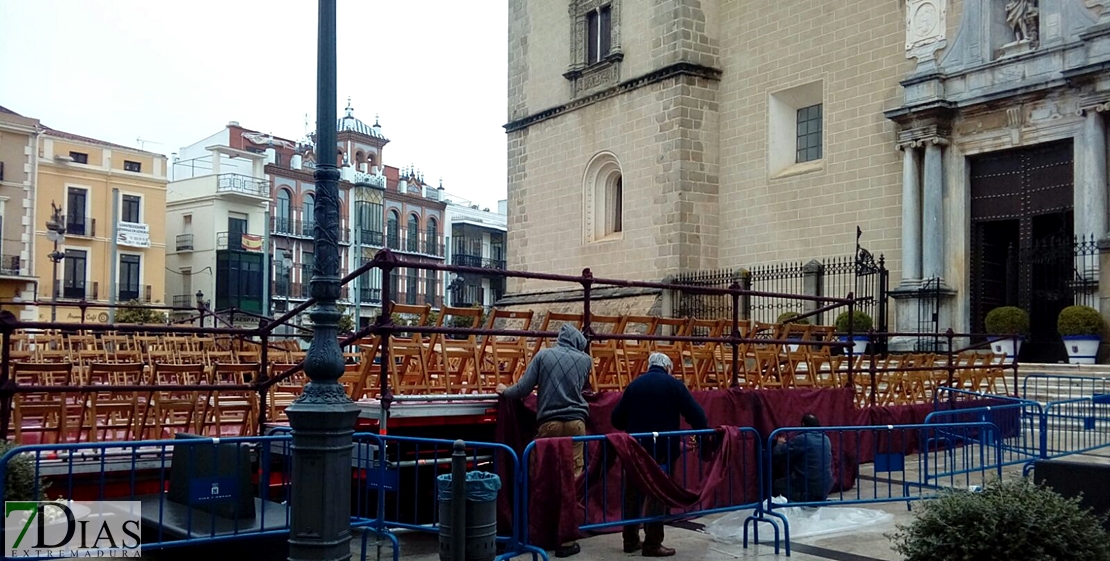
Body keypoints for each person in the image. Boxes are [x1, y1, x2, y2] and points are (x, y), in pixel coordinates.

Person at [496, 322, 592, 558]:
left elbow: (524, 388)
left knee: (540, 475)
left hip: (549, 423)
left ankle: (541, 531)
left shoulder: (543, 355)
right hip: (577, 423)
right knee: (571, 478)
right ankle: (566, 536)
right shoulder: (585, 360)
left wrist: (504, 390)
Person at [611, 352, 708, 558]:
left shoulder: (634, 385)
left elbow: (616, 419)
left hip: (635, 449)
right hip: (662, 450)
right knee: (657, 495)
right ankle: (653, 543)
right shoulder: (674, 385)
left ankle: (630, 539)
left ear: (649, 366)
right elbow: (697, 415)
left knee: (632, 493)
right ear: (668, 368)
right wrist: (703, 436)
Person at [772, 413, 833, 503]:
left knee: (777, 485)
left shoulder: (803, 439)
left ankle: (794, 506)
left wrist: (779, 444)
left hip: (808, 487)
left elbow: (779, 453)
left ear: (803, 425)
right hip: (826, 486)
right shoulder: (826, 439)